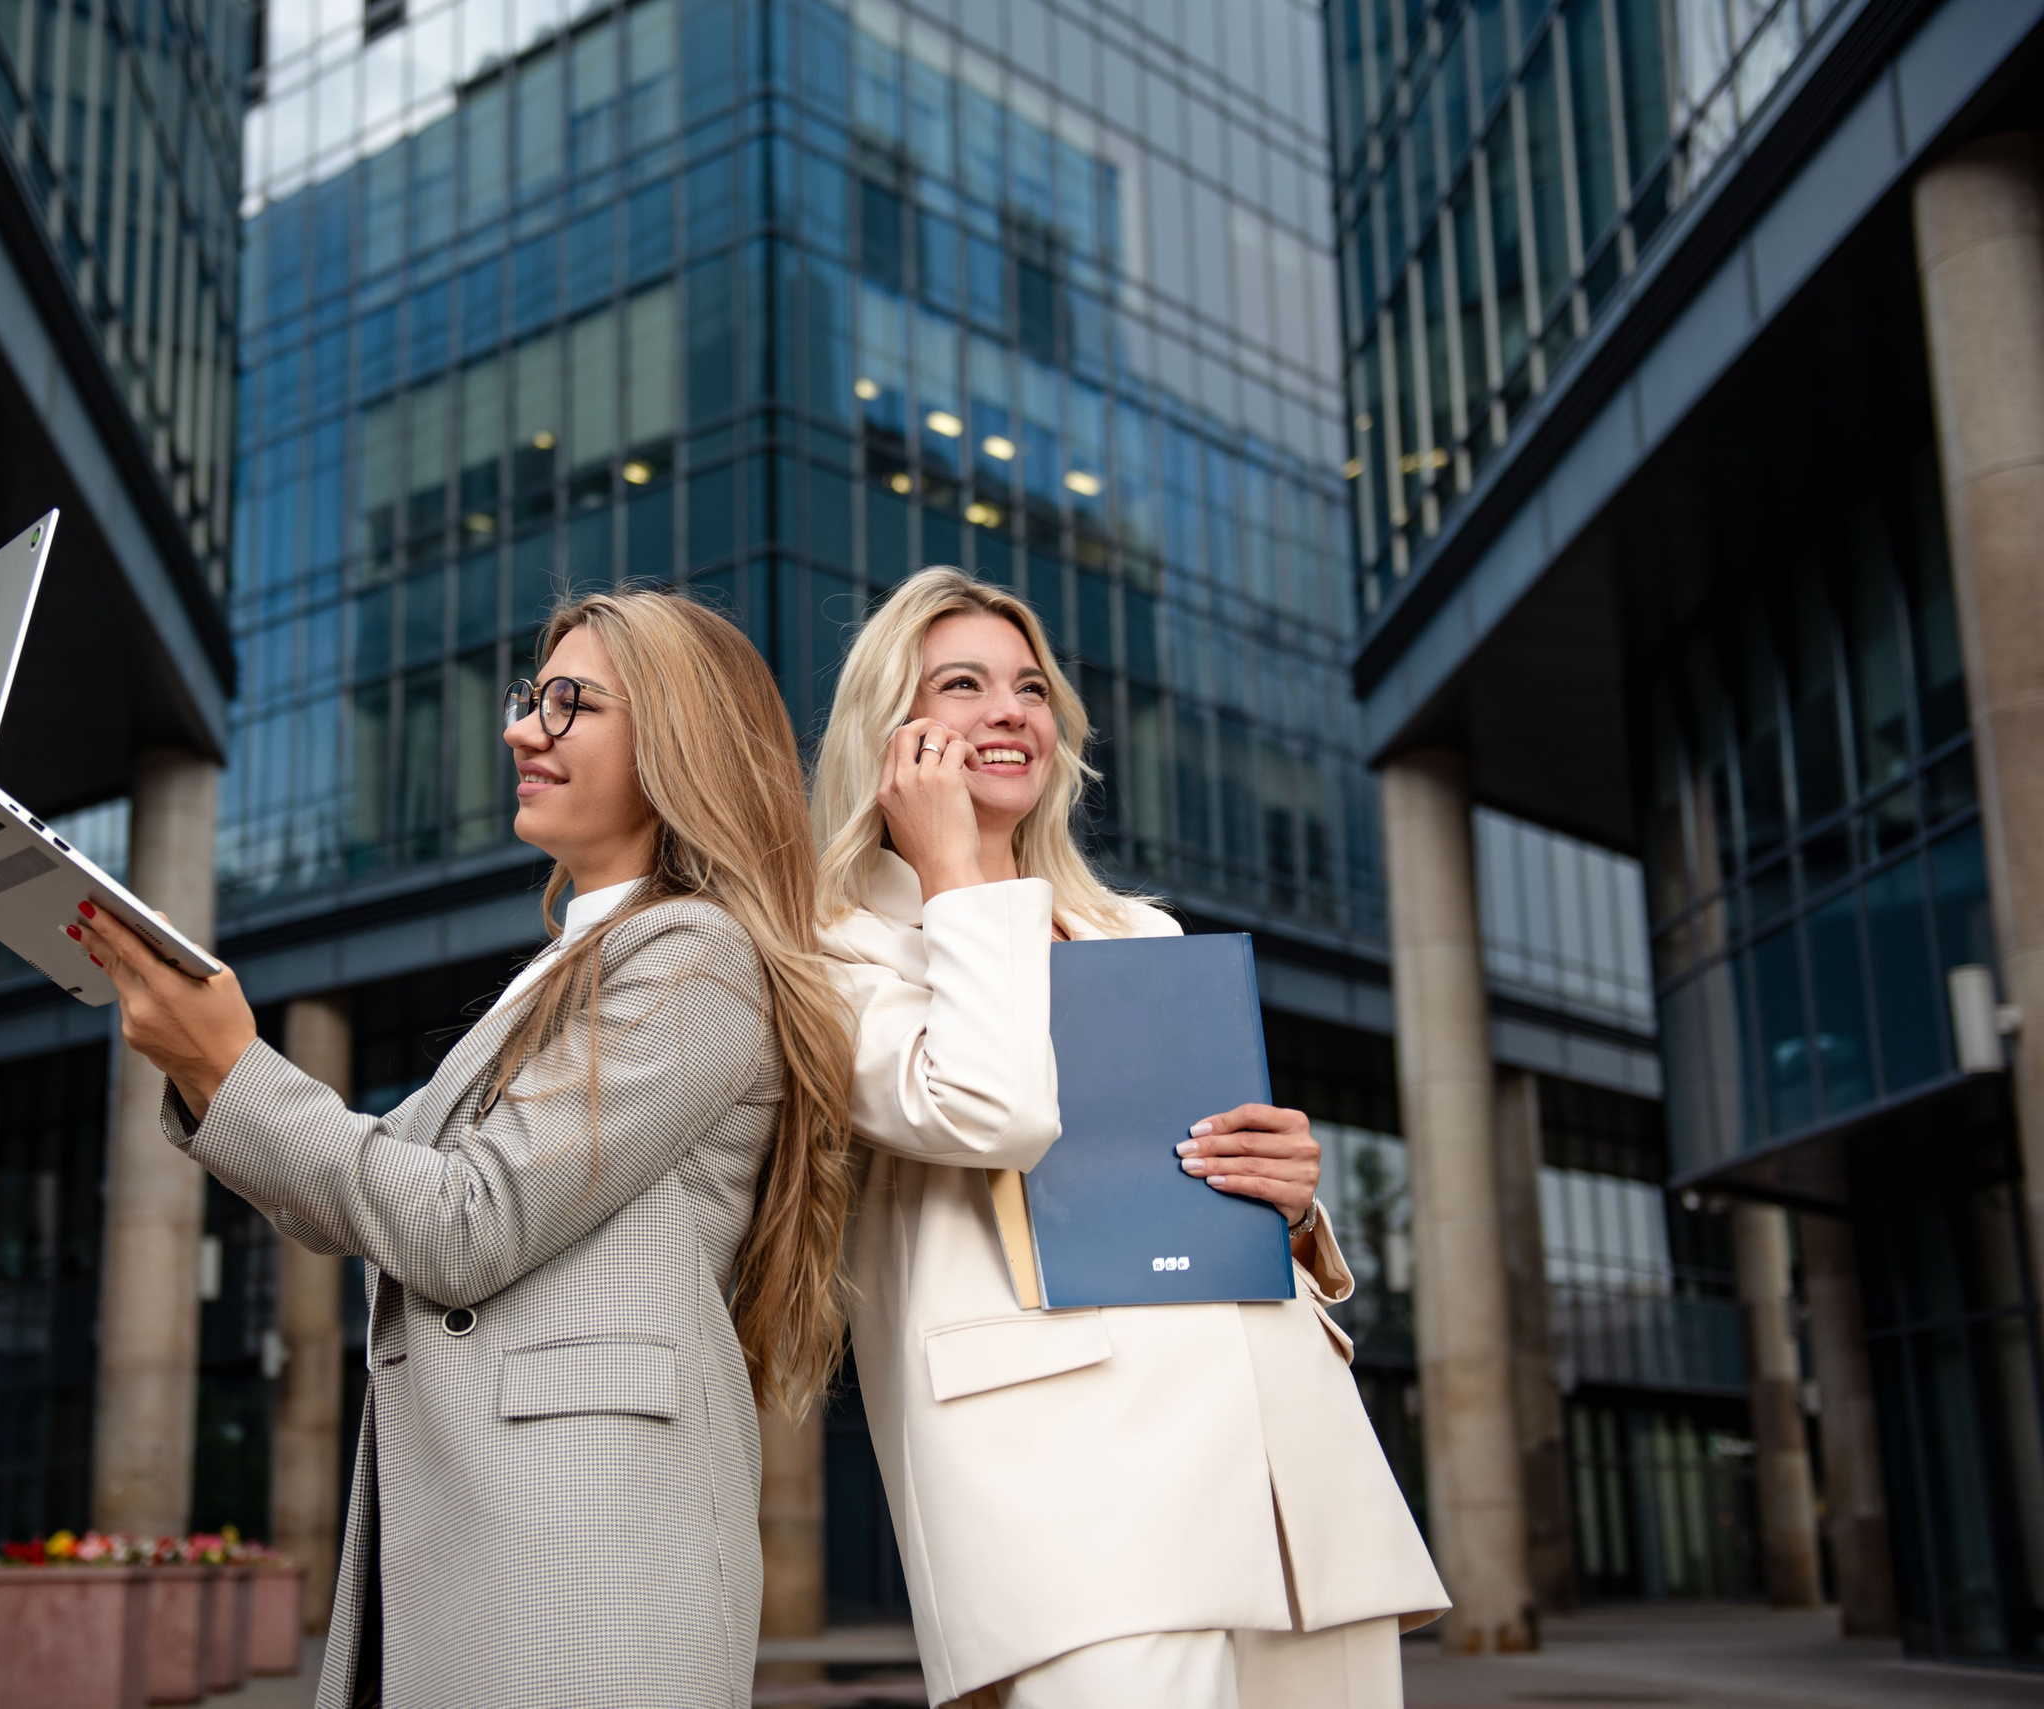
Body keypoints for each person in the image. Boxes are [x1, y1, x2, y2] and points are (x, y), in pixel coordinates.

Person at [77, 589, 857, 1709]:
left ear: (678, 738)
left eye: (568, 702)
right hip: (515, 1520)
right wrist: (212, 1072)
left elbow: (461, 1223)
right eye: (528, 698)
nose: (519, 729)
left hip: (587, 1552)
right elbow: (370, 1191)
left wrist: (234, 1064)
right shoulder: (571, 962)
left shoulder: (696, 956)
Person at [810, 567, 1447, 1709]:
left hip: (1279, 1466)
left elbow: (1191, 1175)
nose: (1011, 710)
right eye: (962, 684)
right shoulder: (829, 955)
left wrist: (1292, 1202)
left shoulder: (1133, 927)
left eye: (1031, 686)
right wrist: (959, 872)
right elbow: (987, 1111)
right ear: (887, 733)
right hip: (1074, 1489)